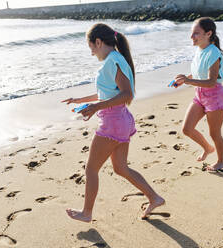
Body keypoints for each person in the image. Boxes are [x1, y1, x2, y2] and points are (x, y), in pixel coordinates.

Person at [62, 23, 165, 222]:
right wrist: (81, 101)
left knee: (91, 169)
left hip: (113, 122)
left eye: (91, 46)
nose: (91, 52)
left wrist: (96, 108)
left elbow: (127, 94)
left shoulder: (113, 61)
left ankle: (87, 213)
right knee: (120, 168)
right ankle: (154, 197)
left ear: (98, 42)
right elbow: (107, 93)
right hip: (121, 120)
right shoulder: (115, 59)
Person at [173, 17, 223, 171]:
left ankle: (222, 161)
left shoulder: (213, 53)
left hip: (215, 97)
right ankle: (207, 148)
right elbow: (198, 72)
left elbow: (211, 81)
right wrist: (184, 79)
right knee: (187, 129)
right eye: (192, 33)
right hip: (199, 95)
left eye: (196, 33)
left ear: (208, 33)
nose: (192, 37)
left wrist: (188, 81)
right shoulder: (200, 49)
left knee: (215, 133)